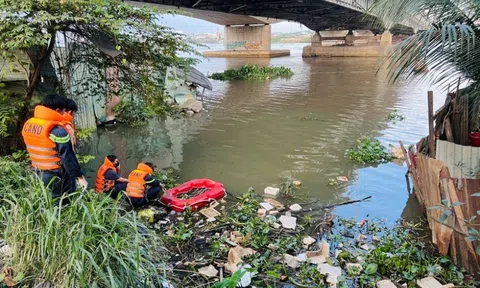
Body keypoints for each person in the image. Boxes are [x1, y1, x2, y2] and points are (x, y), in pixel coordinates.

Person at [22, 94, 88, 205]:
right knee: (62, 202)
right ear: (57, 110)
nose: (64, 115)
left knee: (46, 199)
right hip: (56, 174)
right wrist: (79, 176)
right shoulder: (57, 131)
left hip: (37, 171)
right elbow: (67, 157)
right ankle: (63, 221)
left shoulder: (29, 124)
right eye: (63, 112)